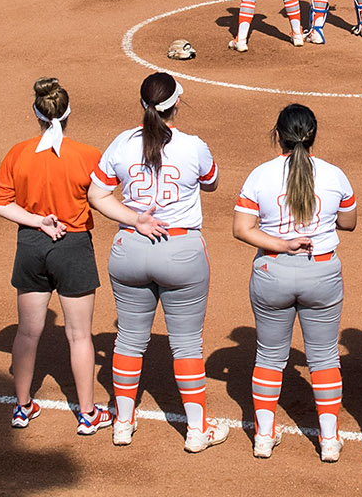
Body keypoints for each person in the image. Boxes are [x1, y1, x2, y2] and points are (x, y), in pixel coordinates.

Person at [87, 72, 228, 452]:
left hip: (130, 248)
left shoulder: (121, 143)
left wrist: (136, 218)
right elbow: (211, 182)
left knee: (129, 340)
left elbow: (97, 195)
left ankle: (123, 424)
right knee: (186, 345)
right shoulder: (193, 146)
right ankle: (197, 431)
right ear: (175, 105)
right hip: (181, 252)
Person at [232, 103, 357, 461]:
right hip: (322, 274)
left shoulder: (260, 175)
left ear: (278, 136)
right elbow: (348, 223)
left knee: (269, 357)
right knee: (324, 357)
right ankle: (330, 441)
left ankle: (264, 437)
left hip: (273, 273)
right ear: (314, 135)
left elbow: (242, 229)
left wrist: (282, 243)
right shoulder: (334, 175)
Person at [0, 77, 113, 435]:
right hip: (73, 247)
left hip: (31, 245)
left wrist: (38, 222)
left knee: (28, 333)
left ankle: (22, 406)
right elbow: (102, 198)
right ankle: (88, 414)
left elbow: (0, 204)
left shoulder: (18, 153)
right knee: (79, 336)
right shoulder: (88, 155)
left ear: (37, 114)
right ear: (68, 113)